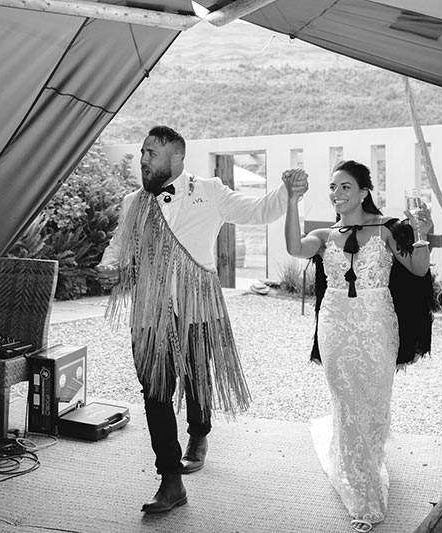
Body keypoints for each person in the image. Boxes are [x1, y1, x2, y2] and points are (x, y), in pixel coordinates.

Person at [96, 125, 308, 514]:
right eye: (142, 153)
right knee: (155, 391)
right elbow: (118, 245)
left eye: (151, 154)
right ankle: (170, 481)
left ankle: (199, 434)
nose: (143, 160)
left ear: (177, 157)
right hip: (149, 312)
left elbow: (258, 210)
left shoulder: (209, 190)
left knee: (198, 375)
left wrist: (287, 193)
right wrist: (110, 266)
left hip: (198, 307)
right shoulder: (132, 203)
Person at [282, 160, 434, 532]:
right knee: (347, 400)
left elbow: (417, 269)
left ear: (365, 191)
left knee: (374, 400)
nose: (337, 194)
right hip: (334, 326)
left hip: (377, 324)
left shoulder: (385, 230)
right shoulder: (323, 235)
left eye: (345, 187)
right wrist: (290, 200)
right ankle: (364, 497)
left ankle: (370, 457)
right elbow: (293, 247)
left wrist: (423, 233)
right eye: (333, 188)